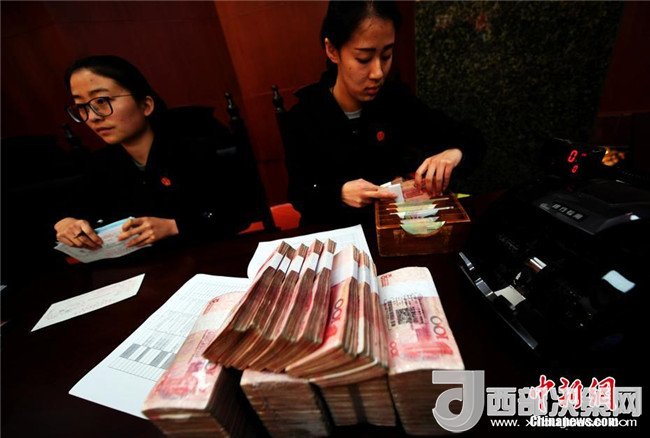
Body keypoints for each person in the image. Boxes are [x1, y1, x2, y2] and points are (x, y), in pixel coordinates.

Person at [283, 1, 485, 226]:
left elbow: (471, 138)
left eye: (386, 55)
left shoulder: (395, 99)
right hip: (340, 232)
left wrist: (454, 153)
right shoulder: (304, 116)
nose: (378, 73)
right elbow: (299, 194)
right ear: (332, 50)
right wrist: (339, 192)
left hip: (393, 228)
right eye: (364, 59)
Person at [54, 55, 251, 250]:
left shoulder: (196, 150)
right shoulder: (100, 165)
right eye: (82, 107)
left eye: (102, 101)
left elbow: (240, 213)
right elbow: (73, 209)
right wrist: (65, 223)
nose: (93, 117)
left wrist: (174, 226)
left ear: (145, 105)